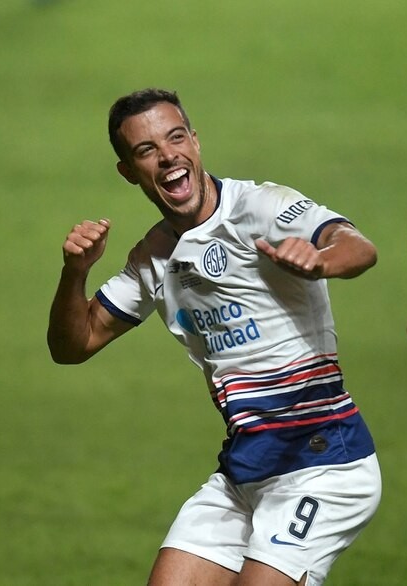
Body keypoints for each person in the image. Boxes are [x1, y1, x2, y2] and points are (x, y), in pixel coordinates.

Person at [47, 88, 381, 586]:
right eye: (146, 150)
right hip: (244, 472)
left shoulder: (260, 207)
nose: (167, 157)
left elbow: (357, 246)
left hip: (324, 463)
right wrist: (75, 273)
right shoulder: (152, 258)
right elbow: (74, 346)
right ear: (129, 171)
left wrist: (321, 260)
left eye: (175, 138)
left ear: (195, 141)